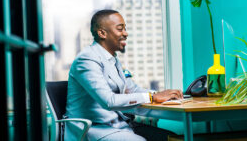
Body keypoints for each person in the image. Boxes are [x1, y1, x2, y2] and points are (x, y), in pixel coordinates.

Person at [64, 9, 183, 141]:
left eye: (125, 29)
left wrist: (165, 95)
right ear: (102, 33)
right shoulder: (87, 59)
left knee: (169, 138)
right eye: (120, 29)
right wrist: (152, 97)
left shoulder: (112, 59)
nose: (126, 33)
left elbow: (132, 90)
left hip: (119, 126)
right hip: (94, 130)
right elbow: (108, 101)